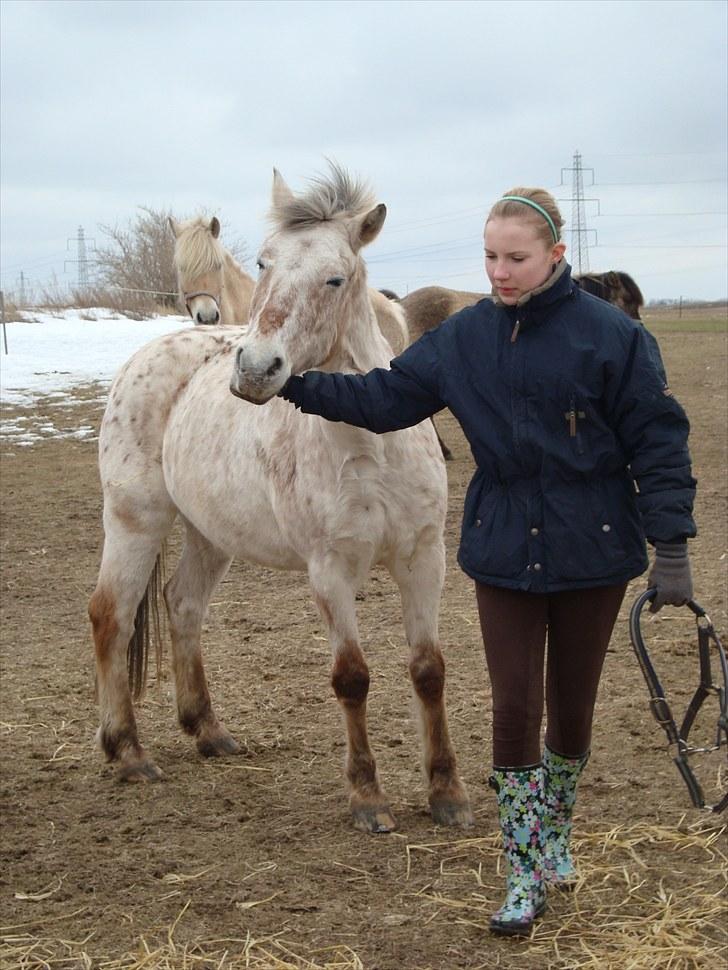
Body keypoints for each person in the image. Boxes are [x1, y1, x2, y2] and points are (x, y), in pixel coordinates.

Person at [276, 188, 696, 936]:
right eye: (491, 258)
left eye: (517, 259)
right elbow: (386, 396)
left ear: (555, 257)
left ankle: (555, 832)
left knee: (572, 714)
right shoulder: (464, 338)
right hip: (503, 545)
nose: (500, 273)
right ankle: (525, 865)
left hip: (593, 546)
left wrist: (672, 550)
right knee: (512, 710)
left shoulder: (611, 337)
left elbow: (659, 440)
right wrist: (295, 387)